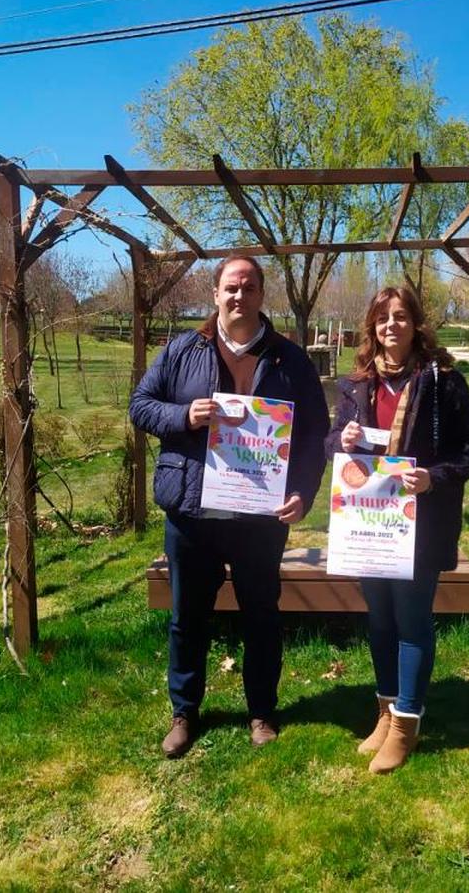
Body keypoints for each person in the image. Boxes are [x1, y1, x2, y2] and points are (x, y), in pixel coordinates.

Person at [129, 255, 329, 759]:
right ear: (215, 293)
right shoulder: (181, 351)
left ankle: (261, 711)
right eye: (230, 288)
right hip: (192, 512)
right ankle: (184, 711)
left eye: (249, 287)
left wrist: (303, 492)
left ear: (262, 295)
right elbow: (140, 406)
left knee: (261, 615)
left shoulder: (291, 361)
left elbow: (312, 438)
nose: (239, 296)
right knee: (187, 618)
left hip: (258, 517)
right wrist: (183, 415)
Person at [325, 286, 469, 774]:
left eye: (400, 317)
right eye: (381, 319)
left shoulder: (443, 382)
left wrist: (432, 478)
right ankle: (385, 711)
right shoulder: (357, 385)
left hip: (421, 522)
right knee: (380, 620)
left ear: (416, 324)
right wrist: (343, 438)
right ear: (371, 328)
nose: (390, 326)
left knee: (413, 621)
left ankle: (407, 724)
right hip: (369, 523)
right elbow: (333, 442)